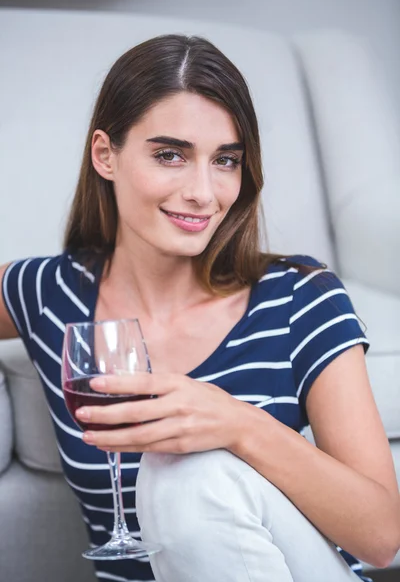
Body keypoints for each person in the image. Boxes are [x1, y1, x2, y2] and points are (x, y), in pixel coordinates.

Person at [0, 33, 399, 582]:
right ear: (105, 155)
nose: (203, 192)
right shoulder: (53, 294)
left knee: (188, 477)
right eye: (170, 155)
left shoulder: (298, 297)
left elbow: (380, 536)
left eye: (226, 161)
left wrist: (236, 426)